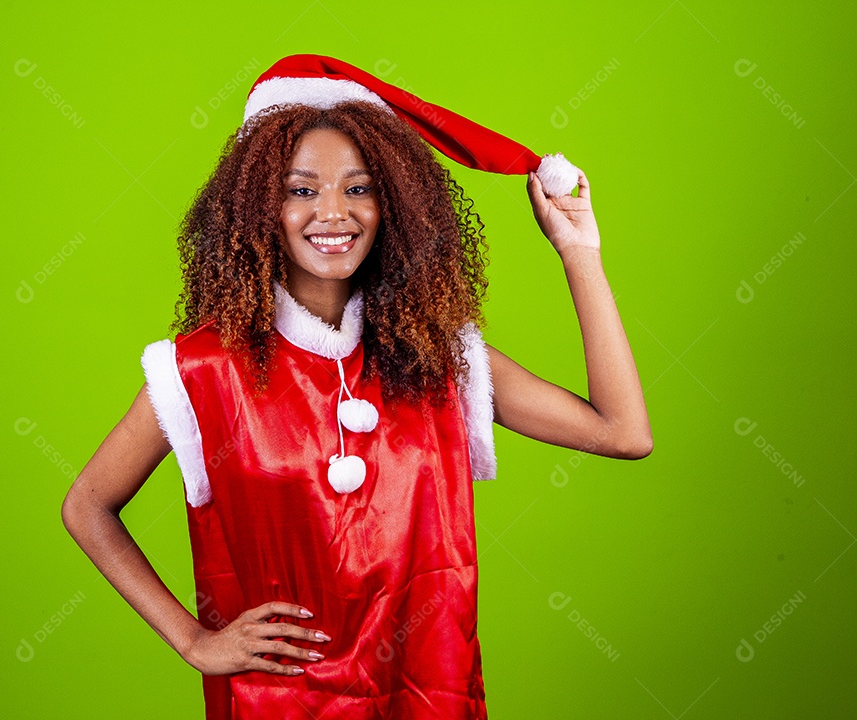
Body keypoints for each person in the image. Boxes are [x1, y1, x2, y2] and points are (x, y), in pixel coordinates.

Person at [61, 55, 652, 719]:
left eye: (360, 188)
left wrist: (580, 253)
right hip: (280, 705)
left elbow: (623, 433)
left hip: (431, 697)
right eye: (302, 190)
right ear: (262, 205)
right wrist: (194, 640)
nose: (334, 213)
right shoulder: (203, 368)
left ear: (392, 203)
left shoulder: (438, 357)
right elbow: (86, 505)